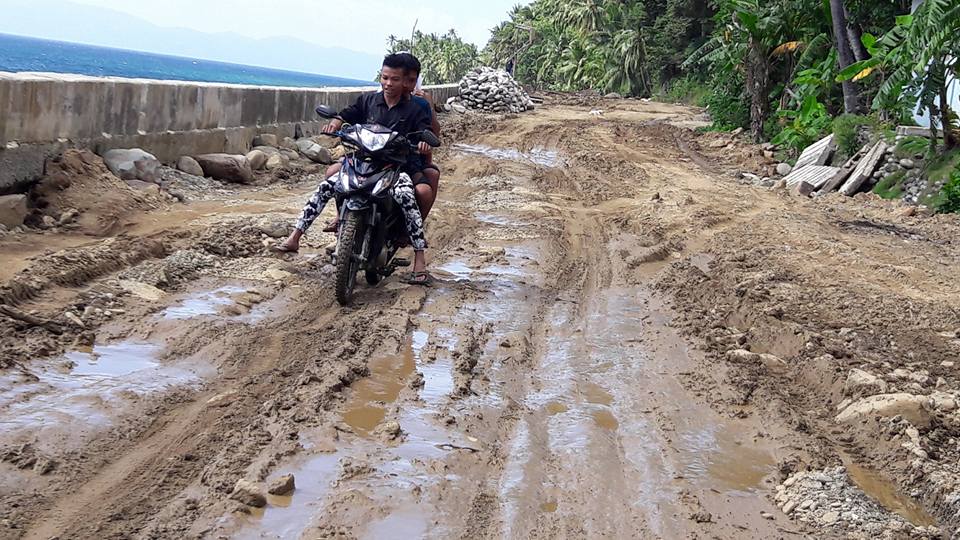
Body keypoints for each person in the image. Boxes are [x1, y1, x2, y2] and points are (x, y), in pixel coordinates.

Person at [276, 53, 435, 285]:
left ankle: (419, 258)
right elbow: (349, 113)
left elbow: (424, 130)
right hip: (362, 161)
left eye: (395, 79)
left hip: (394, 167)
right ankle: (296, 236)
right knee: (327, 185)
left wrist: (423, 141)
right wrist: (336, 122)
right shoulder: (368, 101)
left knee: (406, 196)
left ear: (405, 83)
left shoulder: (415, 109)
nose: (388, 84)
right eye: (385, 78)